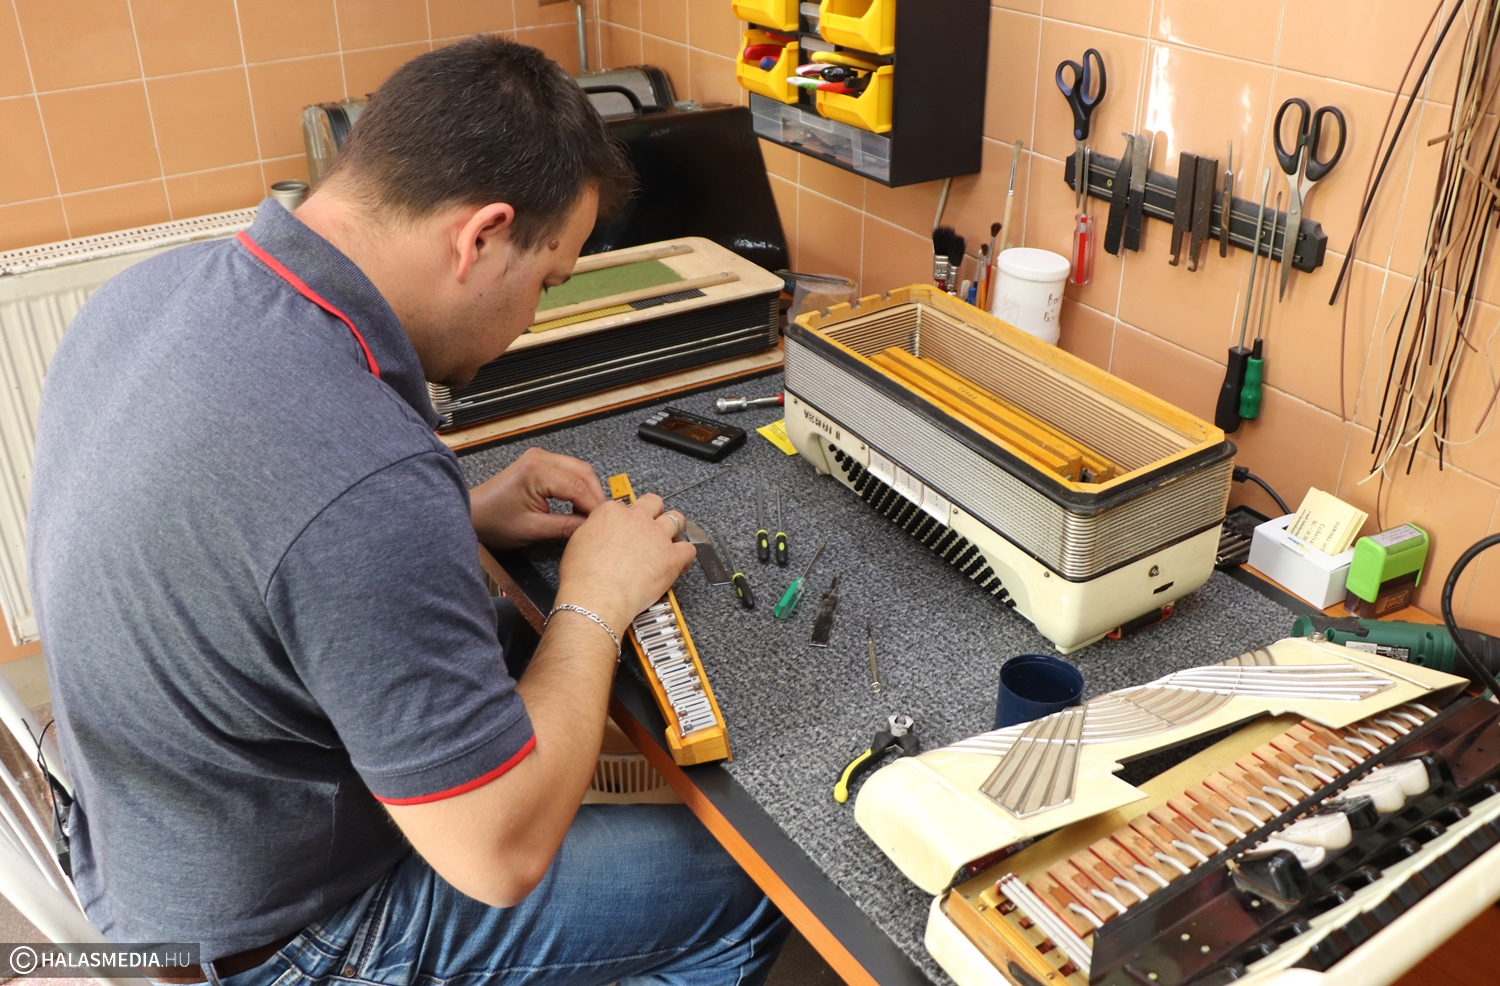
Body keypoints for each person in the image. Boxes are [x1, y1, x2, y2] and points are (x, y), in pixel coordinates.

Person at [26, 36, 789, 986]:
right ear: (480, 237)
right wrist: (593, 600)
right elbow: (498, 856)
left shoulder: (152, 293)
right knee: (753, 883)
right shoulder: (365, 473)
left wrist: (460, 516)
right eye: (547, 282)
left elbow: (254, 543)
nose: (532, 319)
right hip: (279, 940)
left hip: (149, 856)